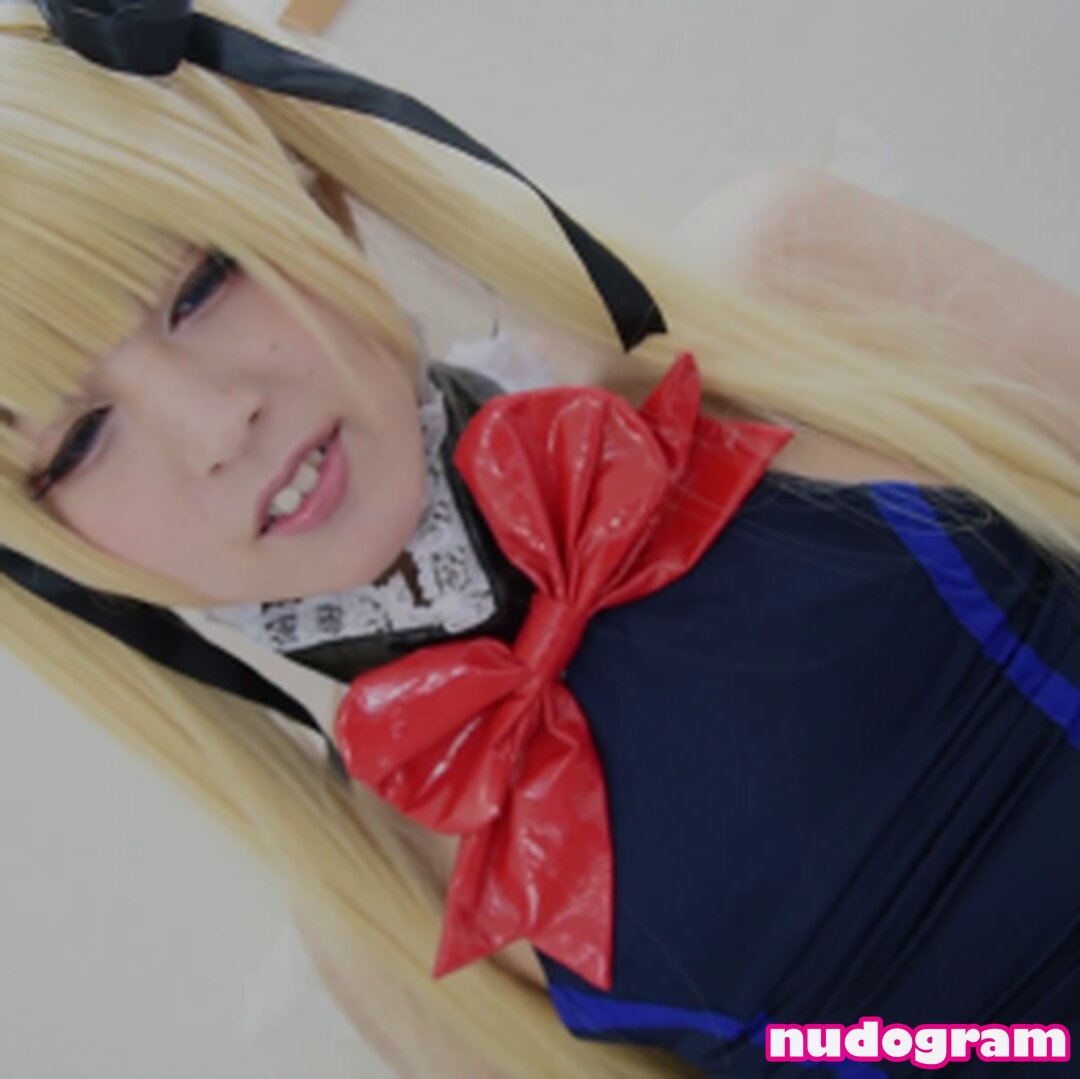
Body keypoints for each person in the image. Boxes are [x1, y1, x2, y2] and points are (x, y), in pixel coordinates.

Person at [1, 1, 1078, 1075]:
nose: (215, 424)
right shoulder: (380, 909)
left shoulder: (787, 281)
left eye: (201, 284)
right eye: (80, 441)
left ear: (311, 199)